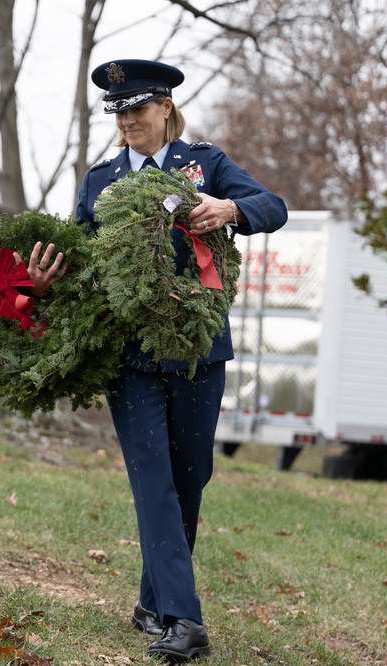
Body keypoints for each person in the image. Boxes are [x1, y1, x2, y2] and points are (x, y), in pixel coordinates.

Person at [20, 60, 287, 662]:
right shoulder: (100, 180)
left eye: (139, 107)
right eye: (118, 110)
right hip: (129, 357)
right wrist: (43, 284)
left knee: (190, 480)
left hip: (198, 352)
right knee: (153, 481)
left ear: (166, 107)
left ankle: (152, 602)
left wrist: (230, 210)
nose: (128, 119)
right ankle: (183, 620)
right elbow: (83, 266)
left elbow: (273, 205)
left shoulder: (206, 164)